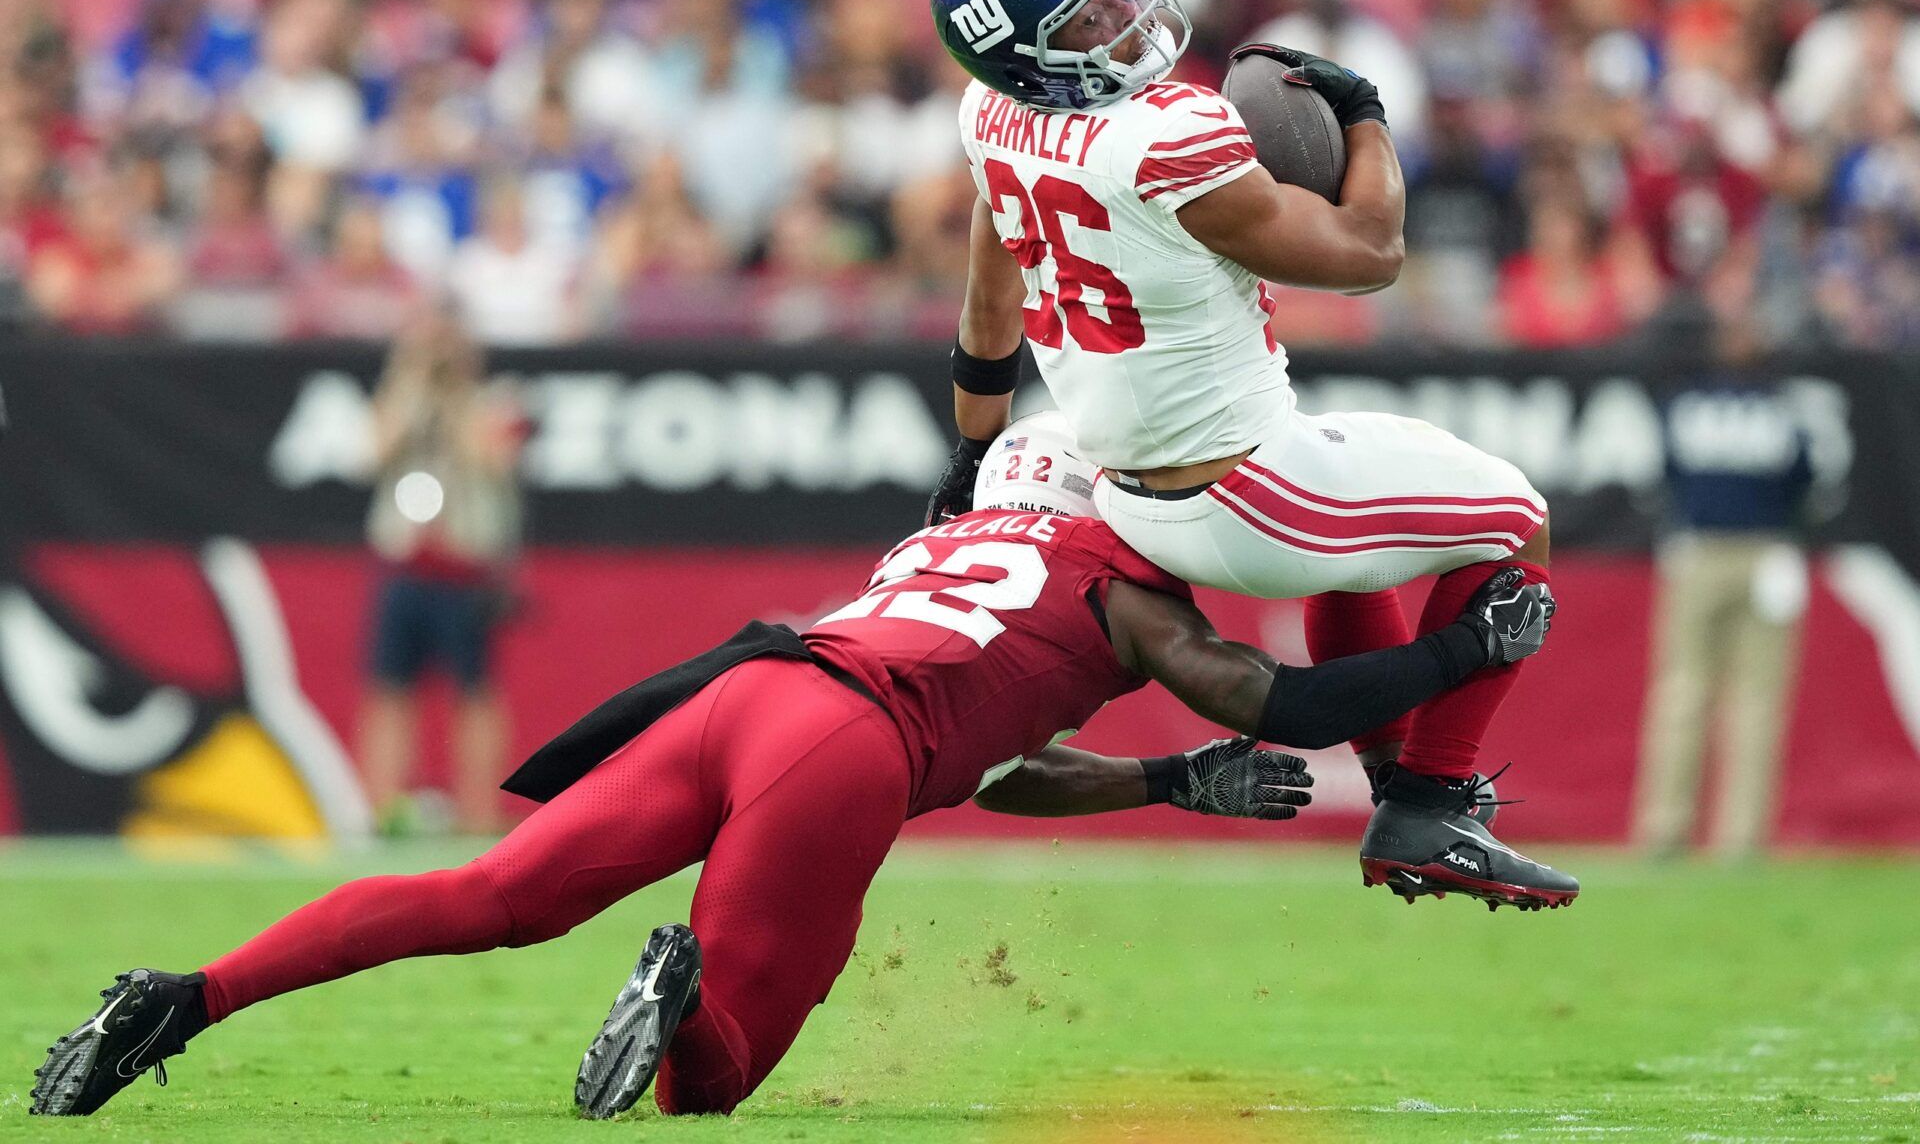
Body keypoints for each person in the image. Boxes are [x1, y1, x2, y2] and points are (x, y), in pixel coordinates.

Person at [29, 413, 1553, 1120]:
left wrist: (1161, 786)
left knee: (494, 890)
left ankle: (188, 996)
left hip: (752, 688)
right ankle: (682, 991)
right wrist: (1455, 657)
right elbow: (1281, 700)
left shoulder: (949, 539)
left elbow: (999, 763)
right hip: (843, 750)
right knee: (717, 1082)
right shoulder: (1129, 583)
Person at [927, 0, 1572, 906]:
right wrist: (1367, 116)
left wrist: (969, 453)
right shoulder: (1161, 137)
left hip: (1132, 485)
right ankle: (1433, 796)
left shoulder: (990, 115)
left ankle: (1403, 775)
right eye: (1090, 20)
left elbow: (989, 295)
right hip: (1248, 487)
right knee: (1516, 521)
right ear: (1029, 55)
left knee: (1367, 541)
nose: (1125, 15)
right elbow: (1370, 256)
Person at [1634, 316, 1814, 859]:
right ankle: (1740, 837)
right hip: (1763, 552)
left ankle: (1669, 829)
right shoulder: (1785, 409)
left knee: (1685, 693)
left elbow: (1664, 475)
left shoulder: (1683, 404)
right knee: (1751, 701)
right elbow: (1806, 483)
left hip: (1704, 551)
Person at [361, 312, 524, 835]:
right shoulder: (400, 400)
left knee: (475, 693)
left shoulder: (493, 401)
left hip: (464, 570)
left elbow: (492, 459)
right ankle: (380, 811)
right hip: (405, 565)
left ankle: (478, 813)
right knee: (388, 689)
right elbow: (372, 454)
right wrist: (412, 384)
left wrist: (454, 397)